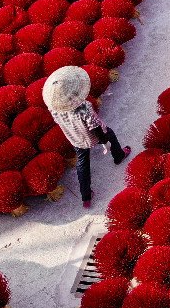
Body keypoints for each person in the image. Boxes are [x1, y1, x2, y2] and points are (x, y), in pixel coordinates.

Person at [42, 66, 131, 209]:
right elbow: (94, 126)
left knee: (83, 165)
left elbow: (59, 122)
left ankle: (86, 196)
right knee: (112, 136)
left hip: (75, 138)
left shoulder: (55, 109)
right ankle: (119, 155)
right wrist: (104, 140)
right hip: (93, 136)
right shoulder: (83, 107)